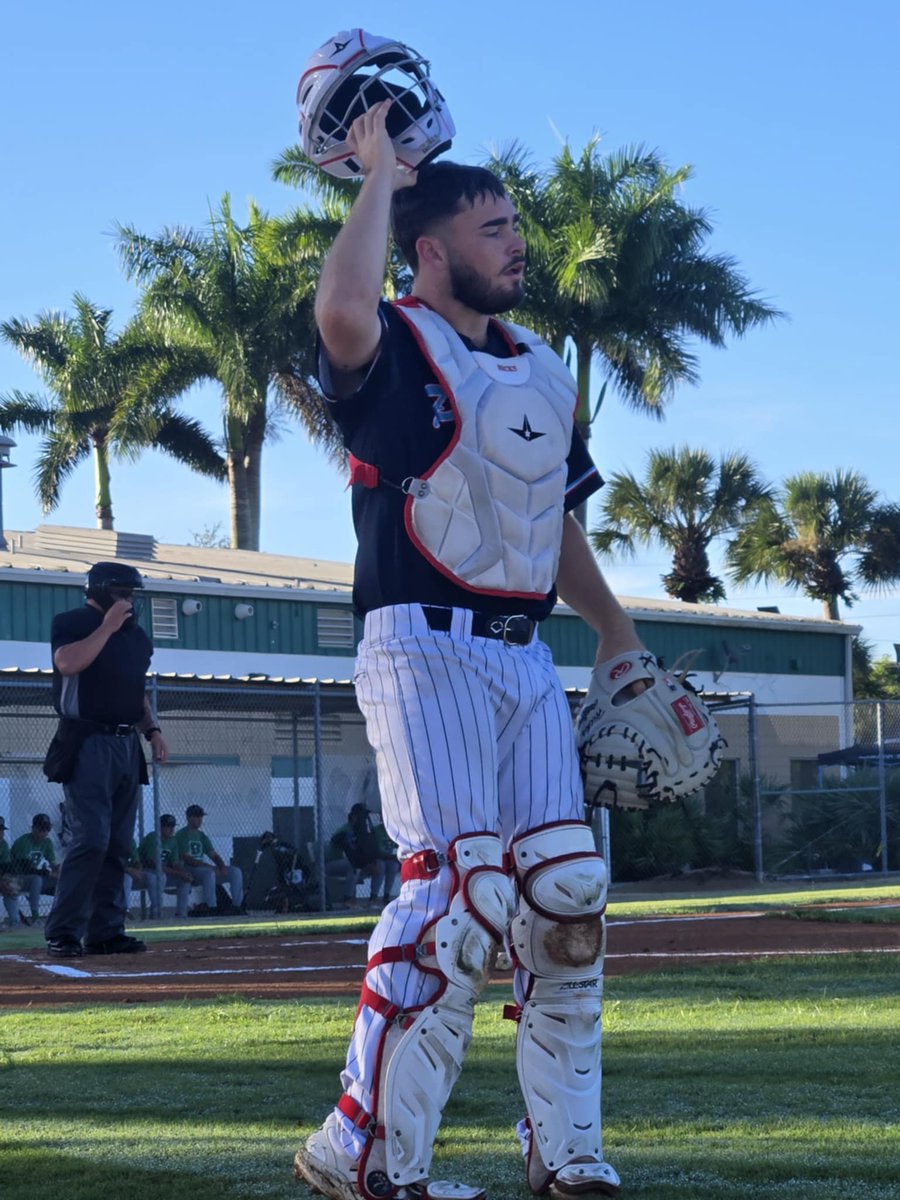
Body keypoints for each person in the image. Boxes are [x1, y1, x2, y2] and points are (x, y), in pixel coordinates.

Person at [293, 102, 645, 1200]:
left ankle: (569, 1154)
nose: (517, 242)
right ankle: (362, 1148)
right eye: (493, 229)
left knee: (567, 898)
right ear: (433, 251)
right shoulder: (399, 343)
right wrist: (380, 177)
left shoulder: (543, 369)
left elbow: (551, 523)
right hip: (422, 647)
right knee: (453, 897)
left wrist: (618, 633)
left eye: (515, 225)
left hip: (522, 657)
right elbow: (340, 313)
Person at [42, 561, 168, 958]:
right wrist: (108, 626)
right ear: (99, 590)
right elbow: (68, 663)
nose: (129, 602)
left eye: (132, 595)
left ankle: (106, 931)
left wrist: (153, 730)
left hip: (126, 743)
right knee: (90, 838)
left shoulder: (137, 638)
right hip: (87, 740)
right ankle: (63, 931)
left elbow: (136, 692)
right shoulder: (73, 621)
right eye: (122, 593)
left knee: (117, 843)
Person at [174, 805, 244, 916]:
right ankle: (211, 908)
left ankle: (237, 907)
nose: (199, 820)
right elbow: (187, 859)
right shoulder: (181, 835)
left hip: (202, 869)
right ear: (188, 818)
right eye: (196, 817)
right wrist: (209, 867)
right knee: (209, 873)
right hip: (189, 870)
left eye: (200, 817)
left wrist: (221, 866)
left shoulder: (201, 836)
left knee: (235, 872)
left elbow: (213, 855)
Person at [139, 813, 193, 917]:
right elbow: (153, 863)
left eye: (172, 826)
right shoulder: (153, 837)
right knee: (158, 876)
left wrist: (184, 873)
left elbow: (175, 863)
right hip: (145, 871)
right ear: (160, 827)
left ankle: (181, 913)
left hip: (163, 872)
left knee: (184, 880)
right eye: (167, 826)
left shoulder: (173, 840)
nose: (171, 829)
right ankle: (156, 910)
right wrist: (178, 873)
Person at [11, 813, 59, 923]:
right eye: (41, 829)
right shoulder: (23, 842)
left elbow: (53, 864)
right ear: (33, 828)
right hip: (18, 877)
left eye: (47, 829)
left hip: (38, 877)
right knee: (36, 879)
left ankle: (61, 915)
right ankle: (35, 917)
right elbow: (26, 869)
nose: (44, 832)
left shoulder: (47, 842)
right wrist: (49, 873)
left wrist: (59, 870)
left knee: (62, 882)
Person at [122, 840, 162, 918]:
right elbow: (110, 864)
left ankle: (156, 910)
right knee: (127, 878)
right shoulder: (108, 838)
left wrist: (138, 871)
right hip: (116, 874)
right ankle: (126, 910)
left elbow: (137, 861)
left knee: (152, 877)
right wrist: (129, 870)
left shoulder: (129, 840)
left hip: (132, 873)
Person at [0, 818, 24, 928]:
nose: (1, 833)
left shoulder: (3, 845)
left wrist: (6, 882)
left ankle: (15, 922)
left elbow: (5, 867)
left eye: (2, 830)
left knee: (11, 885)